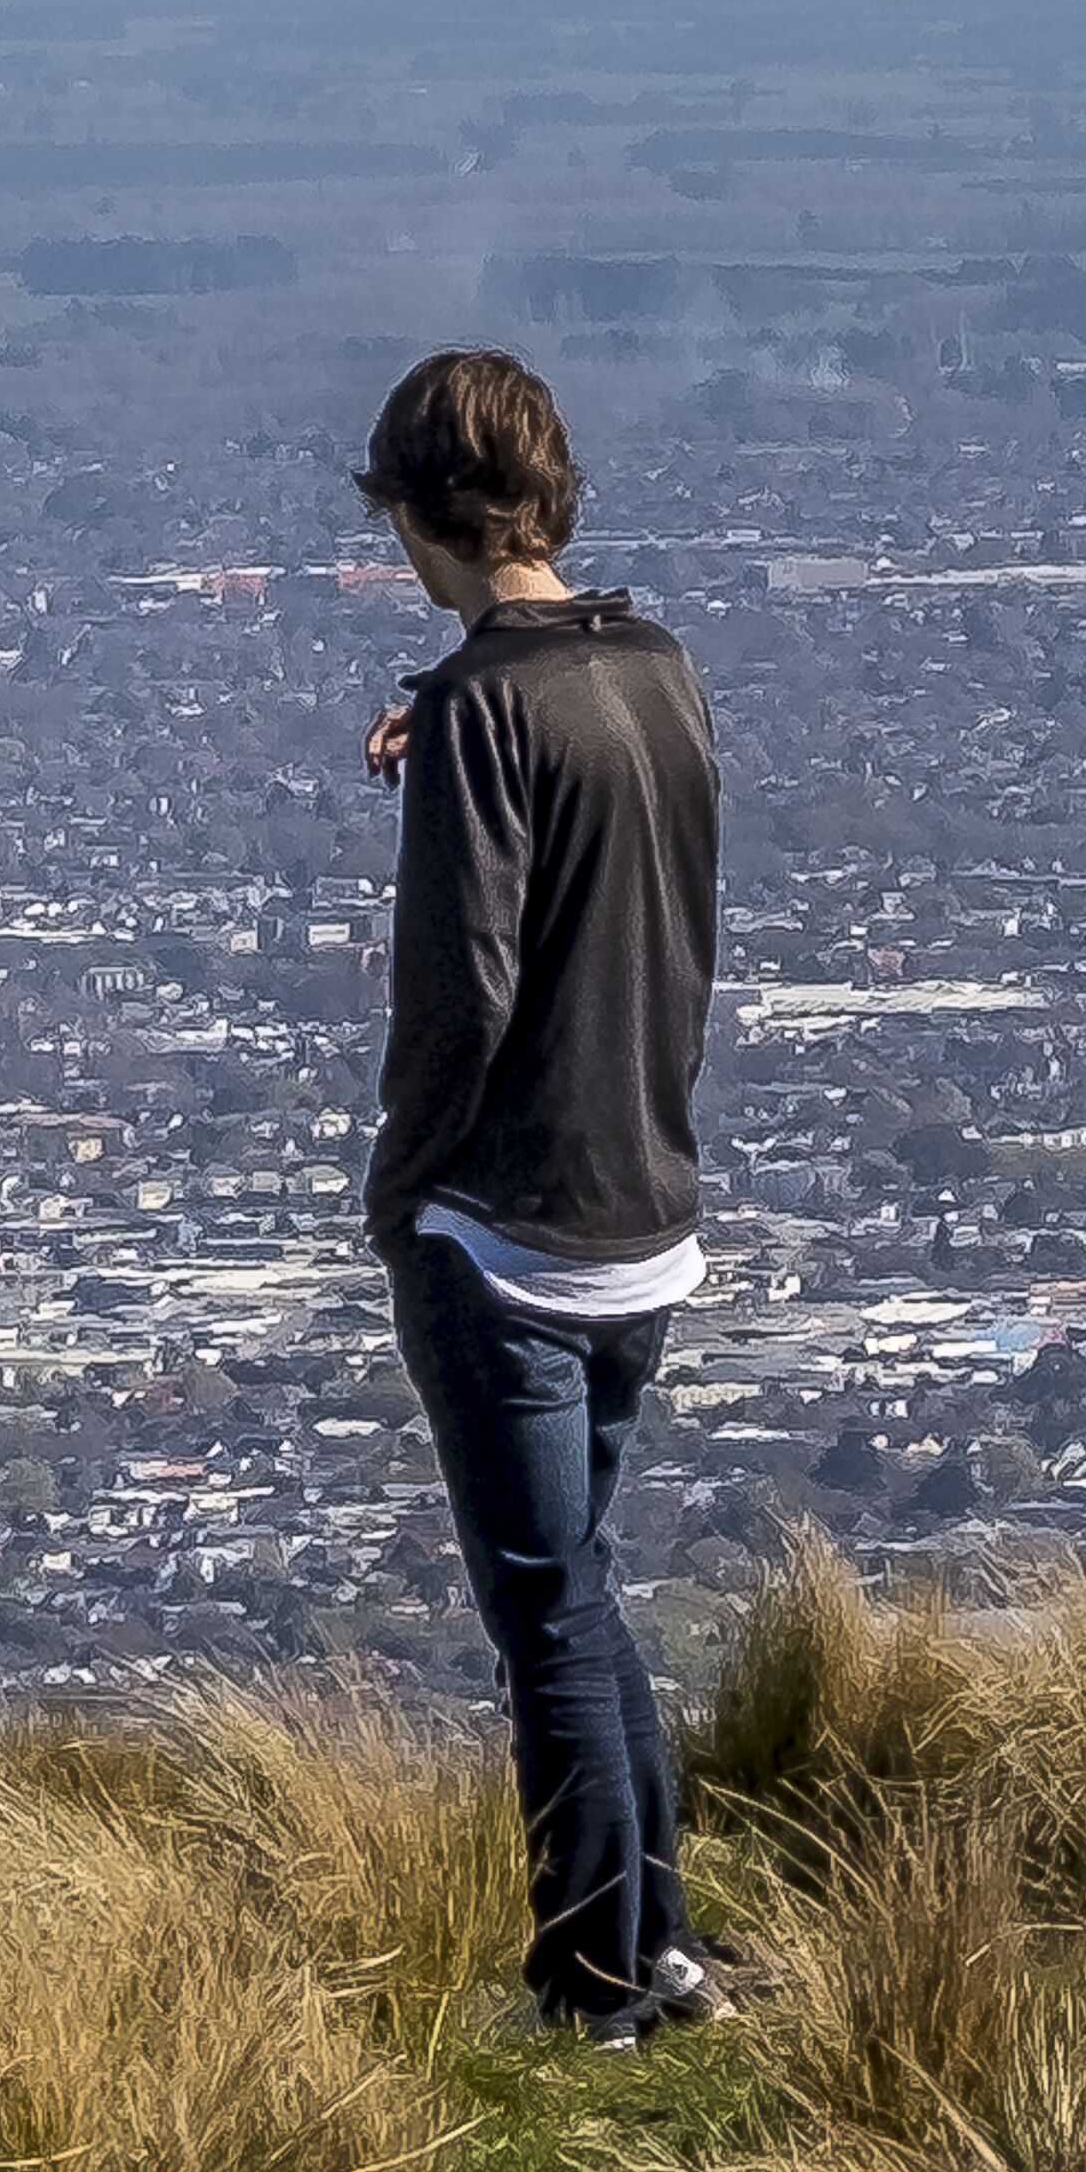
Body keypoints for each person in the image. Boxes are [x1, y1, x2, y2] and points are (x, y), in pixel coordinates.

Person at [346, 346, 724, 2044]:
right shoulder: (655, 669)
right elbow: (582, 740)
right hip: (650, 1205)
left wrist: (402, 1180)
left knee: (543, 1616)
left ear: (418, 512)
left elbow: (461, 994)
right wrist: (454, 705)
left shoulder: (484, 717)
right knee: (575, 1585)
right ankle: (660, 1942)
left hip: (508, 1225)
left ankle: (591, 1981)